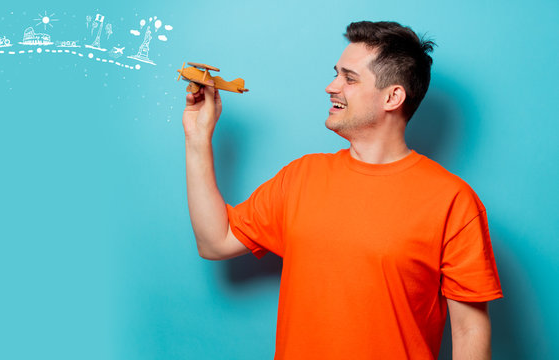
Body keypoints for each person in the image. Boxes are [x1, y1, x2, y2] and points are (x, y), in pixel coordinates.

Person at [182, 21, 502, 360]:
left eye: (349, 78)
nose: (331, 86)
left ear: (393, 96)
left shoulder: (453, 200)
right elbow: (214, 240)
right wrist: (197, 137)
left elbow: (469, 329)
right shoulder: (302, 176)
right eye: (336, 74)